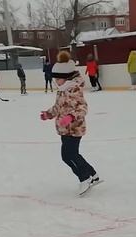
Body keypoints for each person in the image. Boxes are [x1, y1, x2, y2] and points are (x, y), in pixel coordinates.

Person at [40, 51, 100, 196]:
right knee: (73, 154)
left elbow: (83, 108)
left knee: (67, 156)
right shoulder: (62, 90)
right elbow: (58, 107)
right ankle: (93, 175)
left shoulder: (74, 89)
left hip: (74, 129)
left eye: (58, 79)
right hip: (64, 129)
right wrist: (49, 114)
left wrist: (71, 117)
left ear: (65, 78)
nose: (56, 81)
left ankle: (84, 178)